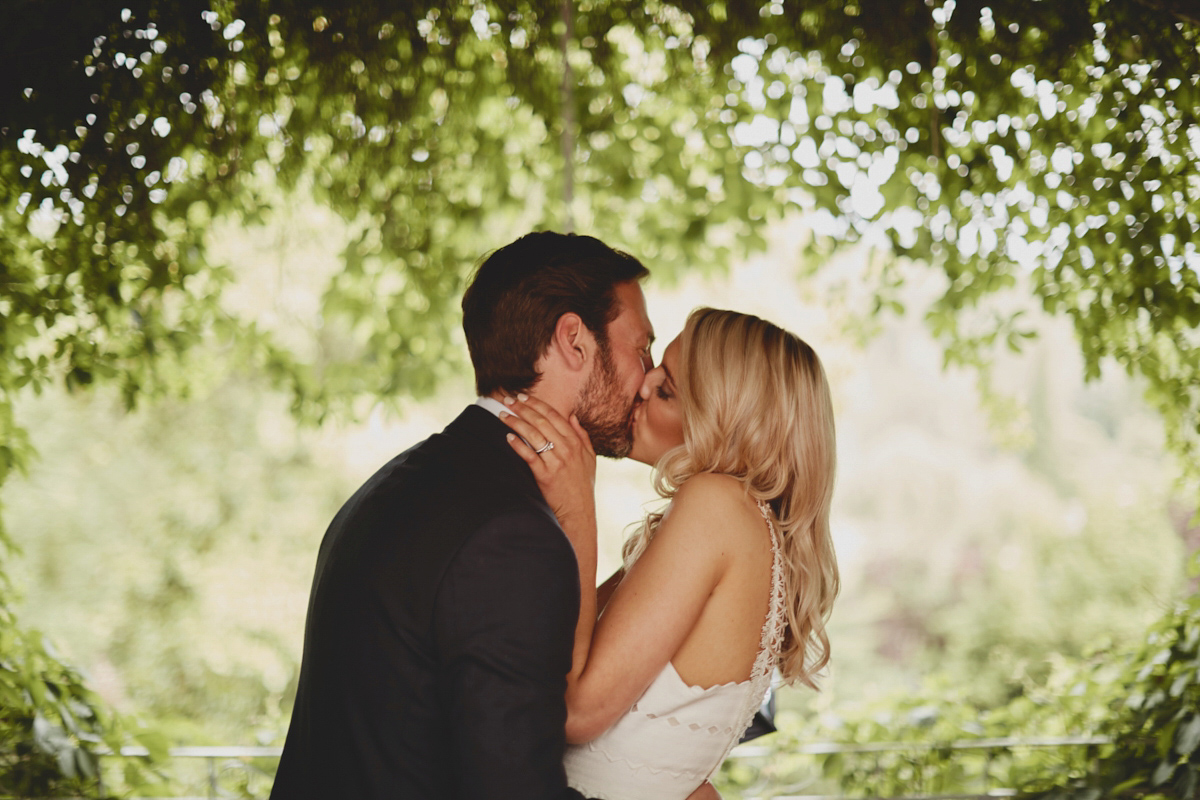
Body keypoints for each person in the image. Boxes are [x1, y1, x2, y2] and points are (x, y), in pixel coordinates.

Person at [269, 231, 655, 799]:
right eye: (641, 348)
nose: (647, 377)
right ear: (574, 340)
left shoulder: (395, 485)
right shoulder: (511, 535)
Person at [499, 307, 840, 800]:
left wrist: (577, 508)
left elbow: (577, 712)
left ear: (722, 421)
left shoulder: (716, 505)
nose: (640, 385)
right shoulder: (744, 525)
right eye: (655, 365)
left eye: (666, 390)